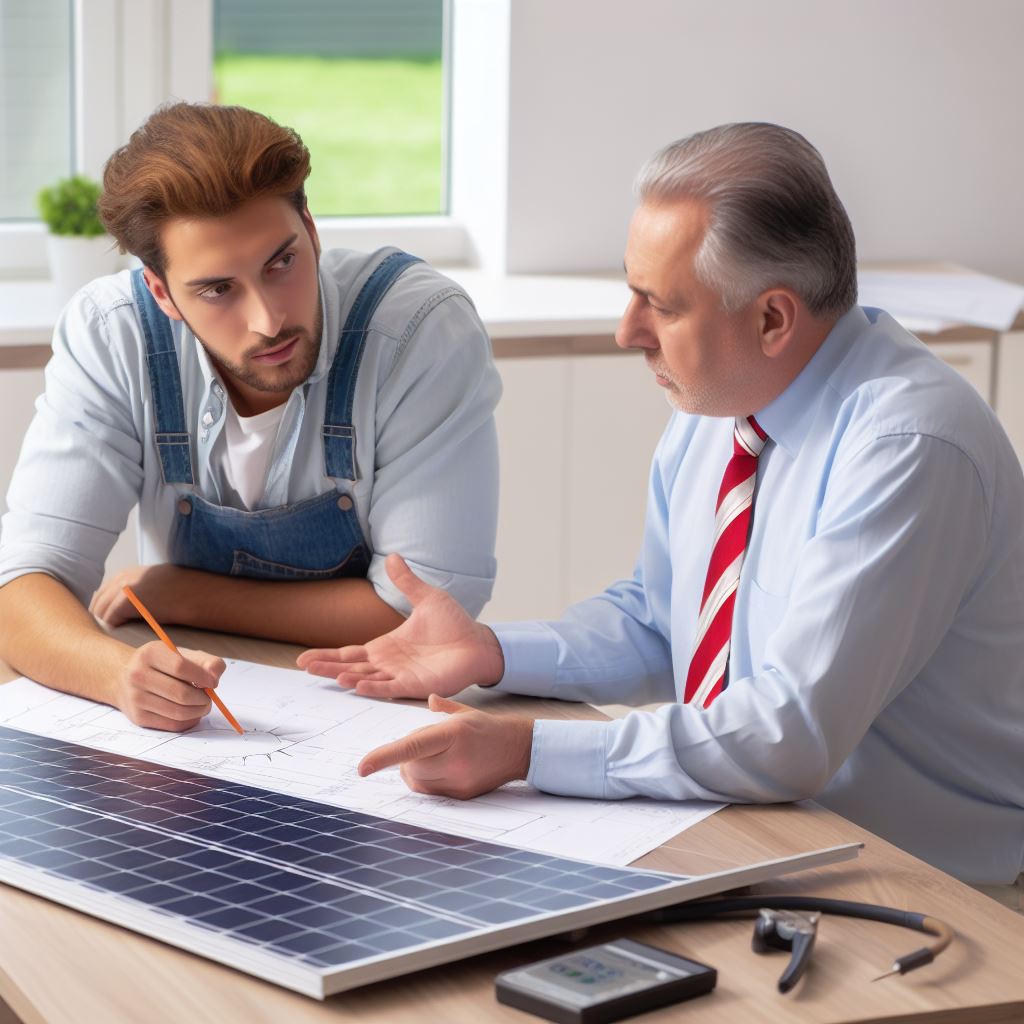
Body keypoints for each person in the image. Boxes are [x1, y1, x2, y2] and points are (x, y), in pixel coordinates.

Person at [299, 122, 1024, 891]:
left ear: (773, 318)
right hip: (760, 833)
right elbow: (660, 616)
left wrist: (525, 751)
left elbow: (788, 734)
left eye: (661, 305)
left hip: (931, 886)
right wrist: (493, 652)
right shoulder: (722, 407)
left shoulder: (908, 447)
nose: (626, 331)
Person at [0, 102, 501, 734]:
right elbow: (21, 585)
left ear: (312, 230)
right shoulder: (113, 333)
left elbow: (425, 612)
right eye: (217, 290)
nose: (267, 319)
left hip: (380, 718)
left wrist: (182, 593)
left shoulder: (417, 329)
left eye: (281, 263)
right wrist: (115, 674)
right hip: (204, 727)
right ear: (162, 293)